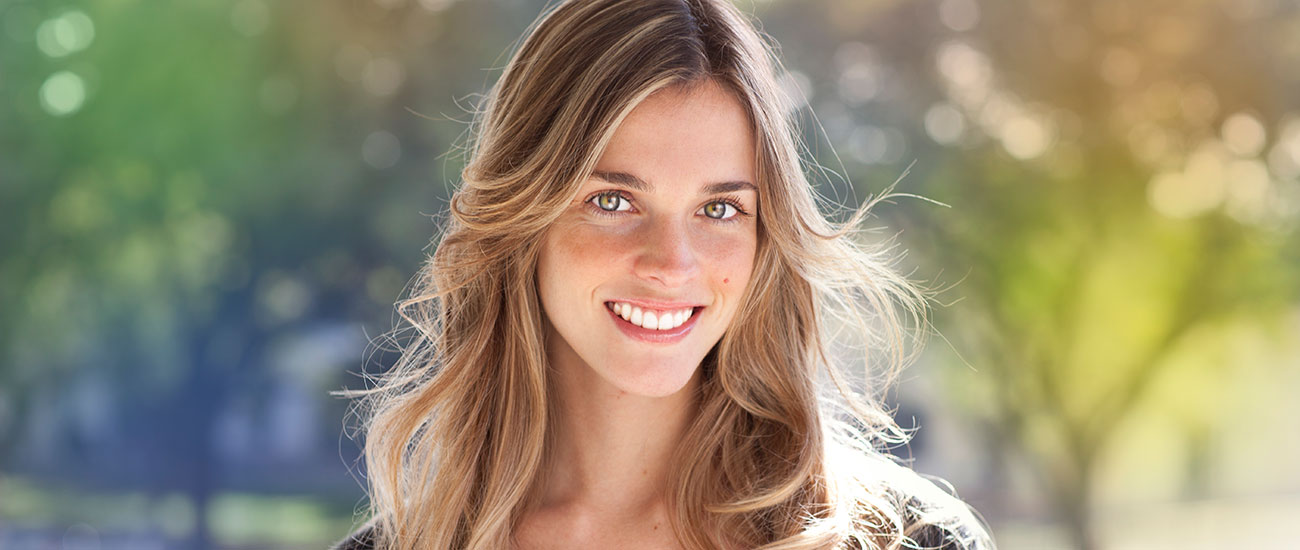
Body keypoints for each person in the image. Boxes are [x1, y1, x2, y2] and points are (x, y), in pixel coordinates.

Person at [332, 0, 993, 548]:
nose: (672, 263)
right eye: (613, 201)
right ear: (524, 223)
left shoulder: (911, 540)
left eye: (719, 208)